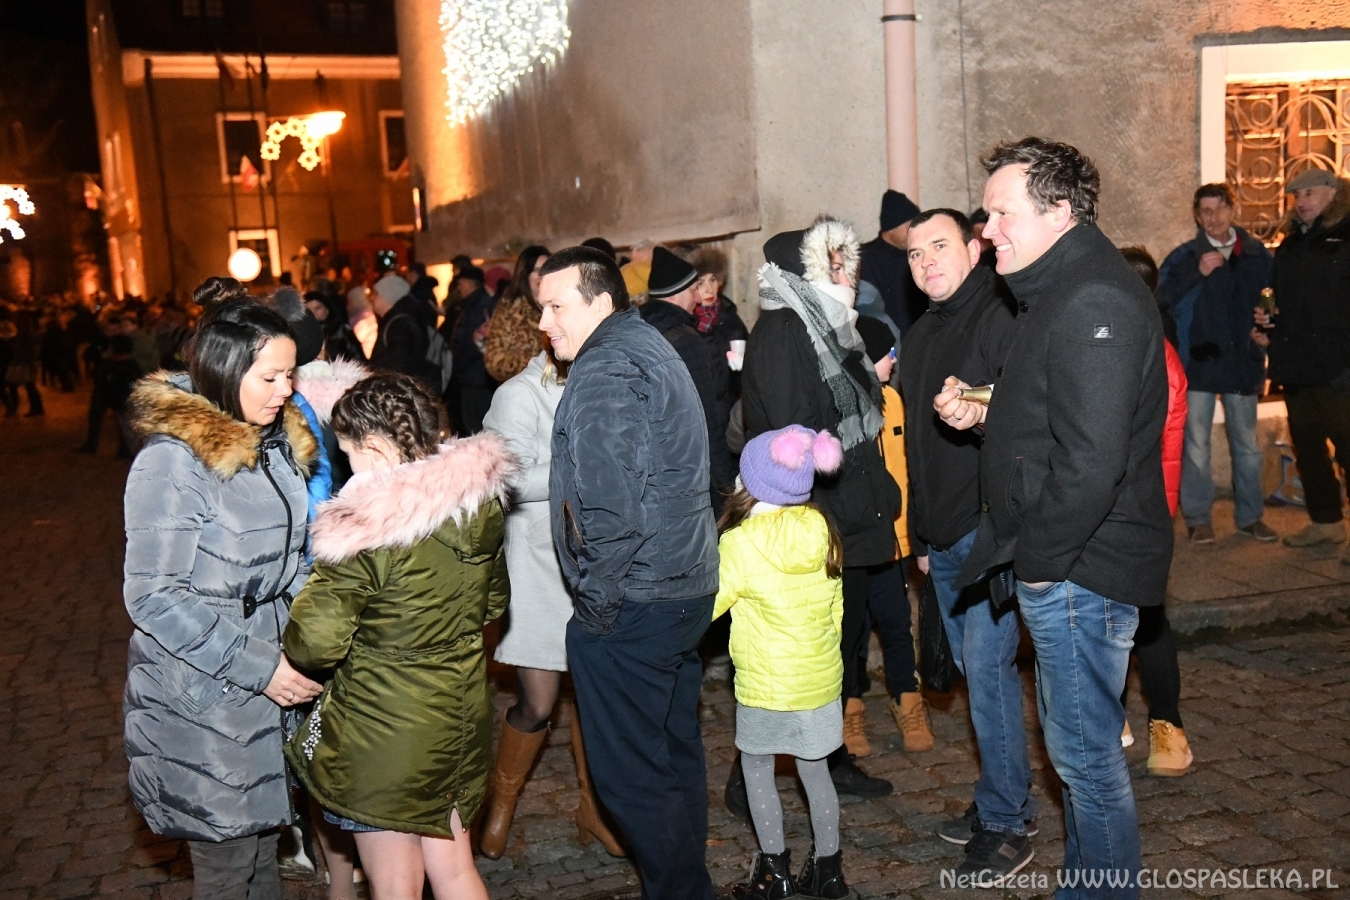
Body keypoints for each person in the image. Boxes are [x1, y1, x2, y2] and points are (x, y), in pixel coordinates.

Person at [940, 137, 1172, 896]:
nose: (986, 231)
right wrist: (988, 412)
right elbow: (1057, 412)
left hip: (1079, 568)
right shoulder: (1060, 289)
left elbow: (1092, 461)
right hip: (1068, 565)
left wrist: (1038, 565)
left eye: (1001, 213)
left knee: (1086, 762)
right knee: (1078, 758)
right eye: (986, 215)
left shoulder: (1093, 299)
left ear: (1060, 212)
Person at [282, 373, 510, 900]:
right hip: (457, 715)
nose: (347, 468)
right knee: (455, 871)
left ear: (378, 448)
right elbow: (494, 602)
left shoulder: (365, 527)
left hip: (381, 728)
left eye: (349, 455)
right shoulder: (479, 505)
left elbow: (314, 641)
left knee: (394, 885)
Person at [122, 298, 321, 898]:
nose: (287, 390)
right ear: (226, 370)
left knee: (262, 851)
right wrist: (262, 668)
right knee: (228, 866)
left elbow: (288, 561)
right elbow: (154, 596)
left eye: (290, 374)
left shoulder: (273, 442)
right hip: (204, 693)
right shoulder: (172, 460)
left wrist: (323, 626)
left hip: (267, 676)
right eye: (271, 377)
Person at [539, 246, 718, 900]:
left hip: (639, 594)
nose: (544, 323)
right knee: (669, 753)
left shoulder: (606, 367)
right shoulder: (642, 343)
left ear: (600, 301)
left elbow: (611, 506)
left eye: (555, 306)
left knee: (630, 776)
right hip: (681, 584)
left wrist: (595, 609)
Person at [740, 218, 898, 799]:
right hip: (818, 515)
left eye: (844, 262)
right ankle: (771, 772)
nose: (845, 274)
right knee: (818, 647)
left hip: (843, 509)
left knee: (840, 642)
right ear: (803, 272)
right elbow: (794, 434)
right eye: (832, 264)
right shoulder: (787, 329)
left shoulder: (825, 324)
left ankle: (827, 760)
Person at [897, 208, 1034, 878]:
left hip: (988, 533)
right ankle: (999, 799)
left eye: (939, 246)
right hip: (943, 536)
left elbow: (1024, 416)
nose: (926, 262)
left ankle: (1008, 821)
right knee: (974, 671)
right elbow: (919, 449)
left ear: (974, 250)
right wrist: (920, 535)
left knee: (986, 672)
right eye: (915, 253)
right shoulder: (922, 332)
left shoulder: (1000, 317)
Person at [478, 344, 624, 860]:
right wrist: (581, 464)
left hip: (594, 562)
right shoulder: (517, 395)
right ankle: (500, 804)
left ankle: (593, 808)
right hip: (538, 568)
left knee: (592, 696)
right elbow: (506, 480)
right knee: (537, 703)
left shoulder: (598, 385)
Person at [715, 425, 855, 900]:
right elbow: (836, 610)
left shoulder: (741, 542)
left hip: (766, 685)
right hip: (819, 680)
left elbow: (711, 604)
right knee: (816, 772)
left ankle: (774, 874)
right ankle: (829, 872)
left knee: (757, 768)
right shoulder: (823, 530)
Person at [1158, 183, 1274, 544]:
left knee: (1248, 447)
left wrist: (1267, 327)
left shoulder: (1257, 254)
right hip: (1199, 365)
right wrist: (1197, 273)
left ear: (1233, 210)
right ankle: (1198, 518)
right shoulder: (1184, 257)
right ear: (1197, 216)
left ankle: (1251, 517)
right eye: (1206, 211)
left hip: (1243, 362)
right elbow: (1161, 301)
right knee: (1195, 446)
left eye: (1220, 208)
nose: (1214, 218)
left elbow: (1274, 301)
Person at [1119, 245, 1195, 777]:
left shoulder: (1154, 354)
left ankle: (1167, 724)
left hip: (1142, 511)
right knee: (1108, 620)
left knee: (1146, 622)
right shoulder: (1117, 342)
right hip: (1114, 509)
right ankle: (1114, 718)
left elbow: (1160, 448)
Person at [1253, 169, 1350, 558]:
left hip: (1338, 367)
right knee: (1309, 451)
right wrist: (1268, 323)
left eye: (1310, 193)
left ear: (1332, 193)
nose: (1302, 201)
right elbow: (1280, 299)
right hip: (1297, 366)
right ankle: (1326, 523)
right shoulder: (1291, 245)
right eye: (1297, 195)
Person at [853, 315, 931, 753]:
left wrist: (913, 534)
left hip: (894, 540)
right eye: (888, 354)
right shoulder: (843, 406)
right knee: (852, 630)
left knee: (898, 623)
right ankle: (849, 707)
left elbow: (907, 468)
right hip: (856, 543)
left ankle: (907, 697)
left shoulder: (894, 401)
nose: (894, 361)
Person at [640, 246, 737, 514]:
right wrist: (726, 485)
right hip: (689, 471)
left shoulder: (636, 332)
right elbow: (706, 418)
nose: (697, 297)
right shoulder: (686, 340)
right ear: (678, 293)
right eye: (693, 289)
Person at [859, 190, 925, 335]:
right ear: (891, 228)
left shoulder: (919, 257)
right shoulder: (865, 259)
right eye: (910, 226)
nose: (915, 233)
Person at [483, 245, 551, 384]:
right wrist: (537, 364)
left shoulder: (561, 306)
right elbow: (494, 362)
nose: (542, 276)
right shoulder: (511, 310)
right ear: (525, 275)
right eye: (536, 271)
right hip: (526, 388)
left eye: (546, 269)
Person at [445, 265, 497, 434]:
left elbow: (470, 343)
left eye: (460, 283)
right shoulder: (472, 304)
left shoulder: (479, 307)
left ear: (468, 283)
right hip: (473, 376)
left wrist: (459, 366)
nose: (458, 288)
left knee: (475, 425)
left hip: (476, 377)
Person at [369, 272, 434, 385]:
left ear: (387, 296)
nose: (372, 298)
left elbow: (399, 365)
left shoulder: (399, 324)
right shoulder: (396, 319)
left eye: (376, 294)